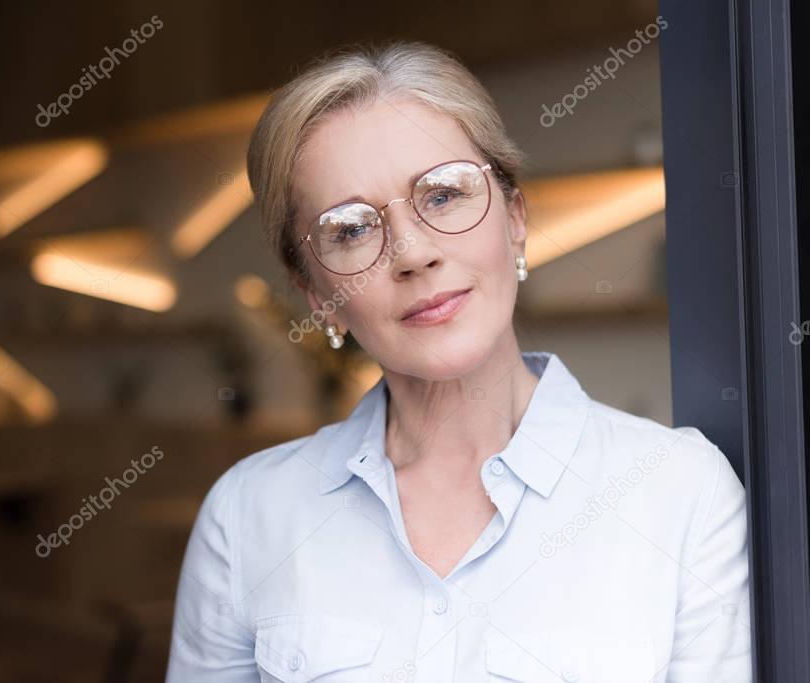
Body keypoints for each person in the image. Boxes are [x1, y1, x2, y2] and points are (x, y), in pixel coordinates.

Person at [166, 40, 751, 682]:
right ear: (319, 297)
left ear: (516, 219)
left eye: (443, 194)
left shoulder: (681, 493)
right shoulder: (248, 514)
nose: (413, 253)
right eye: (352, 229)